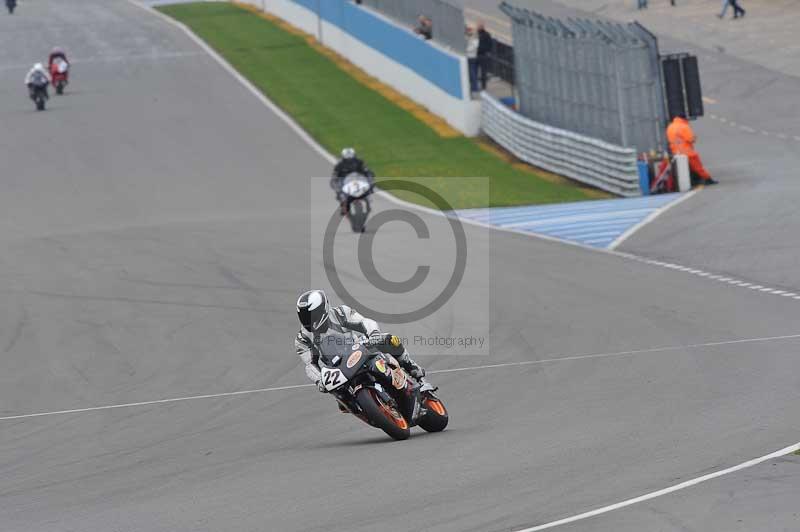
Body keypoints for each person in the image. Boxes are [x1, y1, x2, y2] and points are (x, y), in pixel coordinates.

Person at [295, 290, 435, 394]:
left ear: (323, 309)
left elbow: (364, 322)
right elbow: (310, 364)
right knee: (338, 395)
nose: (308, 320)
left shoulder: (340, 313)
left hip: (357, 350)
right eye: (304, 316)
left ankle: (416, 374)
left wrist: (373, 334)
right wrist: (319, 380)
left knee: (391, 340)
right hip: (337, 370)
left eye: (311, 315)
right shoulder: (303, 339)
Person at [666, 113, 717, 186]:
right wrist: (694, 137)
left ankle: (691, 181)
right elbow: (691, 139)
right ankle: (708, 179)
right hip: (687, 151)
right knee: (698, 167)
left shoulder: (670, 126)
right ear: (684, 119)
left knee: (682, 169)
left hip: (676, 152)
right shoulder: (684, 126)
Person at [331, 147, 374, 215]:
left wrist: (370, 179)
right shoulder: (339, 165)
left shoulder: (359, 162)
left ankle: (368, 200)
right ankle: (344, 205)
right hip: (345, 181)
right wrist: (336, 185)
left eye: (351, 157)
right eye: (347, 158)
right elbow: (335, 176)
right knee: (340, 192)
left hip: (358, 179)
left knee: (368, 186)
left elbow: (367, 171)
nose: (349, 159)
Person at [476, 23, 493, 91]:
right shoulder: (485, 34)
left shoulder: (483, 35)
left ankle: (482, 86)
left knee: (482, 71)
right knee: (482, 71)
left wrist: (488, 51)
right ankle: (482, 86)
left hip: (480, 54)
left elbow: (490, 44)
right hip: (480, 54)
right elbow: (490, 44)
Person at [466, 26, 479, 93]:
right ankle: (472, 86)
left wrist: (466, 50)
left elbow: (474, 47)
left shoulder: (474, 39)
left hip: (472, 57)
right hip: (468, 56)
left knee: (472, 73)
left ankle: (475, 87)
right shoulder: (467, 38)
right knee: (470, 73)